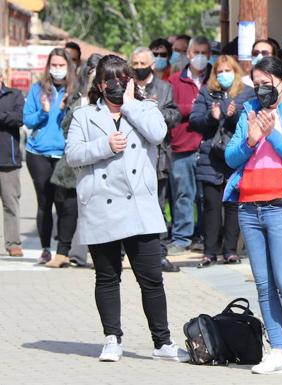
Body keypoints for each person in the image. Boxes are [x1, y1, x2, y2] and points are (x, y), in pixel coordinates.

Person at [65, 54, 189, 363]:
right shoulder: (84, 115)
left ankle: (162, 342)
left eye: (123, 78)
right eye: (110, 80)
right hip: (101, 204)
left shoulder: (145, 108)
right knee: (107, 277)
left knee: (151, 278)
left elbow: (158, 134)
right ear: (101, 84)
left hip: (139, 207)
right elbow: (73, 155)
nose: (117, 85)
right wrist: (104, 146)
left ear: (130, 81)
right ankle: (112, 338)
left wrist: (132, 104)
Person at [223, 56, 282, 375]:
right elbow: (231, 157)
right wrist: (250, 139)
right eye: (257, 84)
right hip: (249, 206)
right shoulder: (248, 110)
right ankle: (278, 350)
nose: (261, 90)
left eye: (267, 84)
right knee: (263, 284)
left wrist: (272, 133)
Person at [190, 55, 254, 267]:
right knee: (211, 205)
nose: (224, 75)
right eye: (220, 71)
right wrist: (212, 116)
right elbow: (195, 121)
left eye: (228, 71)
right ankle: (210, 251)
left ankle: (230, 250)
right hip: (211, 157)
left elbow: (250, 122)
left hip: (236, 155)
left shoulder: (246, 92)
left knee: (233, 205)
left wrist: (233, 116)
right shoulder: (207, 93)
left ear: (236, 72)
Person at [130, 47, 182, 272]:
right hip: (130, 156)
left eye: (143, 64)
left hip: (158, 157)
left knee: (157, 206)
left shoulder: (164, 88)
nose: (139, 68)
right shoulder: (127, 87)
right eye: (135, 64)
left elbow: (174, 114)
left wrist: (153, 114)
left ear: (152, 64)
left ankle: (159, 253)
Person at [23, 48, 76, 265]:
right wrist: (43, 111)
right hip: (39, 153)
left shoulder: (75, 91)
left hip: (64, 154)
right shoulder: (38, 89)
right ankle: (45, 248)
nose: (57, 69)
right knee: (44, 202)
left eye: (61, 65)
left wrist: (66, 107)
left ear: (69, 67)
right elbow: (27, 120)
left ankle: (64, 250)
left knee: (64, 203)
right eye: (53, 65)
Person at [50, 54, 103, 268]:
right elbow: (65, 128)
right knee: (70, 208)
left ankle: (104, 255)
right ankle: (63, 252)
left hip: (103, 161)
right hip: (76, 164)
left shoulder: (113, 99)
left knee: (100, 212)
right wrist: (81, 104)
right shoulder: (77, 98)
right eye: (92, 73)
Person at [167, 36, 212, 255]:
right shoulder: (175, 81)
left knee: (206, 197)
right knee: (183, 194)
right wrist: (192, 108)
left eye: (205, 53)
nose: (200, 57)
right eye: (196, 52)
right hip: (181, 146)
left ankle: (205, 237)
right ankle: (181, 237)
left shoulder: (215, 77)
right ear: (189, 54)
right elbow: (169, 109)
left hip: (208, 147)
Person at [0, 65, 24, 257]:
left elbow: (17, 119)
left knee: (11, 203)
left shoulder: (14, 94)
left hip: (9, 159)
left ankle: (13, 243)